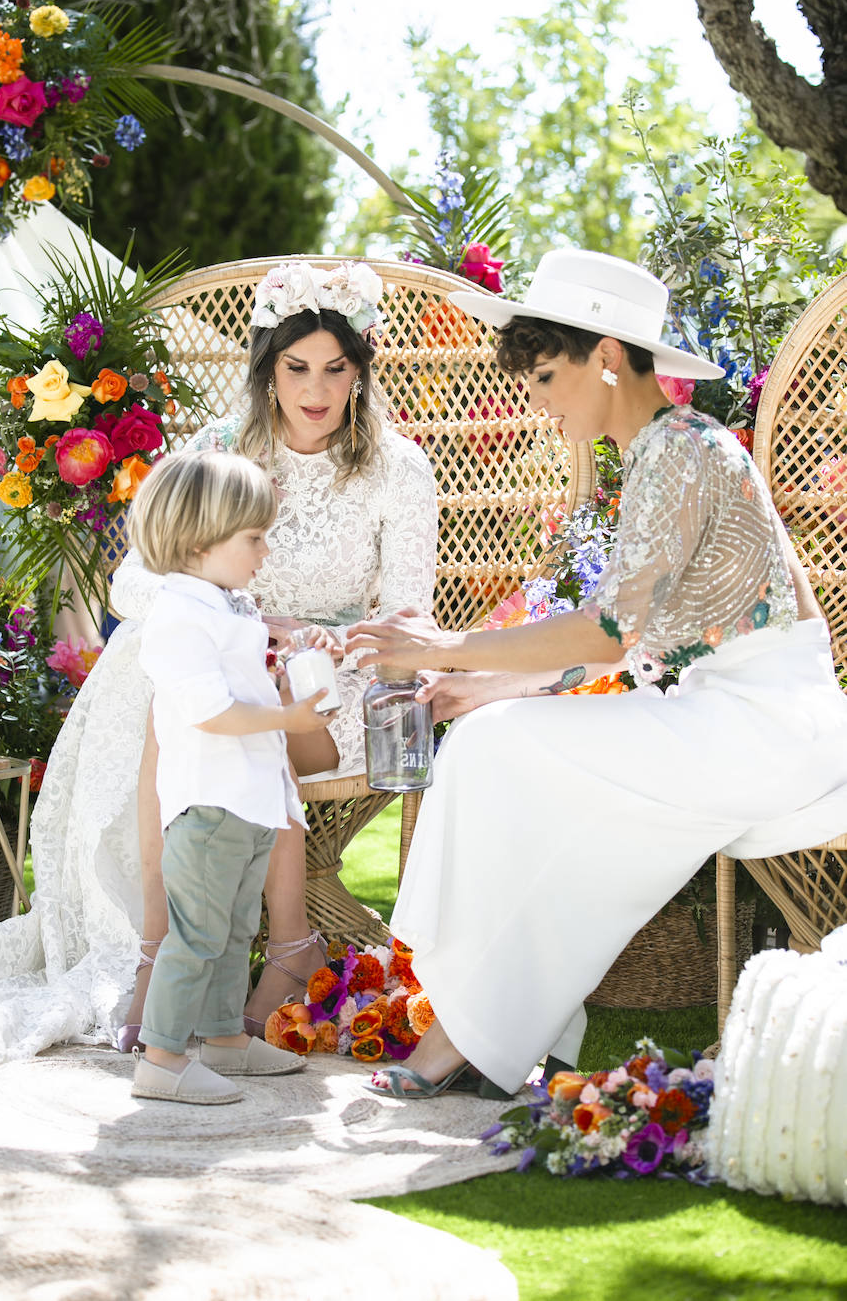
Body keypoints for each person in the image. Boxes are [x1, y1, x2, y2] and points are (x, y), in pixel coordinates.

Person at [345, 247, 847, 1100]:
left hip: (763, 728)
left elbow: (612, 633)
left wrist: (440, 651)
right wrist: (493, 686)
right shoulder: (673, 449)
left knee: (498, 756)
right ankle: (487, 1030)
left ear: (607, 358)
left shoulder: (685, 450)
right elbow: (642, 638)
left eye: (546, 375)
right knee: (501, 754)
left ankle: (467, 1034)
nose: (537, 401)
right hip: (724, 713)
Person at [0, 260, 437, 1087]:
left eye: (337, 370)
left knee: (234, 690)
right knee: (163, 665)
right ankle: (178, 946)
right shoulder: (219, 449)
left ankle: (193, 954)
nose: (316, 390)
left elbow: (409, 615)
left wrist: (309, 639)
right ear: (267, 367)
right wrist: (233, 616)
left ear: (361, 371)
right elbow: (136, 579)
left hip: (331, 678)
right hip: (220, 666)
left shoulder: (396, 469)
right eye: (296, 367)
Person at [127, 449, 323, 1104]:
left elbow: (242, 646)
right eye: (255, 538)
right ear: (198, 541)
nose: (265, 551)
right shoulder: (178, 616)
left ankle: (221, 1037)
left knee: (237, 929)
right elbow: (209, 712)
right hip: (210, 805)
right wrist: (289, 717)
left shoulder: (223, 604)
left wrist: (282, 634)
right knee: (198, 935)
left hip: (246, 800)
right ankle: (160, 1059)